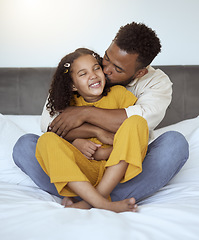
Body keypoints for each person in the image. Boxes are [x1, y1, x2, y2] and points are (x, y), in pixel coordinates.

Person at [13, 22, 189, 205]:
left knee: (175, 144)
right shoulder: (84, 68)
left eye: (117, 69)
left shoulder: (156, 83)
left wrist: (84, 113)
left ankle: (88, 199)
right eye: (106, 58)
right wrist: (82, 138)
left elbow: (137, 124)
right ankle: (96, 197)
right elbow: (50, 125)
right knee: (25, 146)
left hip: (123, 168)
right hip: (79, 163)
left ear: (140, 73)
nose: (104, 70)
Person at [35, 48, 149, 212]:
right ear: (73, 85)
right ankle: (103, 203)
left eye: (96, 68)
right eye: (83, 74)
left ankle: (90, 202)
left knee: (137, 121)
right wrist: (78, 141)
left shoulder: (119, 94)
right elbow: (58, 136)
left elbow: (133, 138)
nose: (93, 75)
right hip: (83, 170)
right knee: (46, 140)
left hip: (117, 169)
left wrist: (102, 153)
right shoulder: (69, 106)